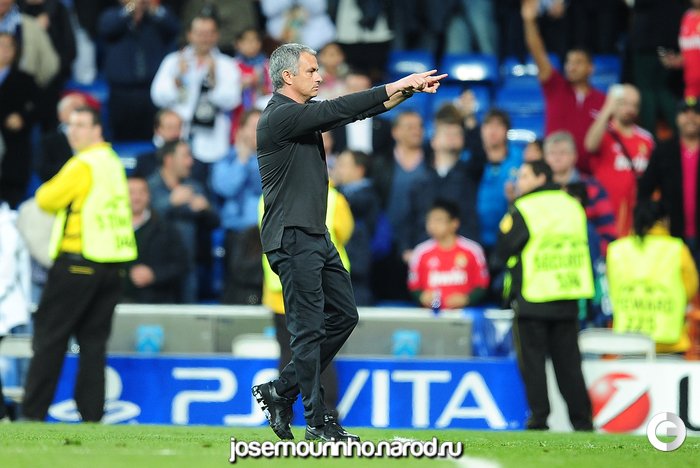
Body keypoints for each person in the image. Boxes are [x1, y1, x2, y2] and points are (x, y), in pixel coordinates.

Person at [252, 42, 445, 442]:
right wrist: (396, 83)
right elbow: (339, 109)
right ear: (287, 76)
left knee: (344, 315)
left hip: (314, 235)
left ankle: (281, 390)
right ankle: (317, 423)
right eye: (311, 70)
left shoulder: (299, 116)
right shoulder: (280, 116)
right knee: (307, 331)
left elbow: (353, 112)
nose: (319, 76)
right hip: (292, 236)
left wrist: (404, 93)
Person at [22, 106, 137, 422]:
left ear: (97, 130)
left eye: (81, 125)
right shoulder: (112, 162)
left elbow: (46, 199)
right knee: (93, 343)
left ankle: (32, 413)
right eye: (70, 126)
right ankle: (91, 417)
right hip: (112, 266)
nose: (73, 132)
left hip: (77, 263)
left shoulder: (83, 164)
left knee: (49, 338)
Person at [490, 159, 594, 431]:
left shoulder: (525, 208)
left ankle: (539, 418)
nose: (519, 182)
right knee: (569, 365)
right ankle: (582, 421)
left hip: (533, 296)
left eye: (524, 176)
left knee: (533, 363)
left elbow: (504, 248)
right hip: (568, 292)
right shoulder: (572, 205)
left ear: (540, 178)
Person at [259, 184, 353, 424]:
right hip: (320, 287)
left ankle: (283, 410)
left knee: (289, 351)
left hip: (279, 290)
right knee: (320, 352)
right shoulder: (333, 197)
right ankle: (325, 414)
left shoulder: (267, 192)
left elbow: (265, 231)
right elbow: (345, 232)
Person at [150, 12, 241, 174]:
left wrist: (214, 80)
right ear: (189, 35)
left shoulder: (227, 64)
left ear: (217, 35)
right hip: (176, 137)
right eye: (200, 33)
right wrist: (177, 80)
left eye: (209, 33)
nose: (204, 38)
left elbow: (232, 100)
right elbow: (157, 97)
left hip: (211, 140)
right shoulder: (173, 60)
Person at [520, 0, 605, 174]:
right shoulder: (555, 87)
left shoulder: (603, 100)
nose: (571, 67)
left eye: (578, 62)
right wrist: (529, 22)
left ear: (591, 68)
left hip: (591, 176)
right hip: (553, 173)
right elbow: (538, 53)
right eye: (569, 62)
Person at [607, 200, 699, 354]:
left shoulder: (616, 250)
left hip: (628, 341)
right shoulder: (677, 249)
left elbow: (610, 286)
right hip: (669, 341)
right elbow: (690, 287)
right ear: (664, 221)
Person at [147, 139, 219, 303]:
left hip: (188, 269)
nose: (190, 162)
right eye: (185, 156)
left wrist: (206, 209)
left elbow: (216, 222)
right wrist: (170, 202)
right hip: (157, 270)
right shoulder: (150, 187)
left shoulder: (194, 187)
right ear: (169, 160)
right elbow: (142, 219)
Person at [97, 0, 180, 140]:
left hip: (150, 92)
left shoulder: (155, 18)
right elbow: (107, 28)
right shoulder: (111, 15)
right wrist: (130, 9)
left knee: (152, 138)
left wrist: (153, 9)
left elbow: (175, 28)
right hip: (121, 93)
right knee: (120, 138)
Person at [584, 84, 655, 236]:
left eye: (635, 105)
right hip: (605, 212)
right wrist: (607, 109)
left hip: (634, 214)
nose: (630, 109)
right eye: (625, 103)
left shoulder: (647, 139)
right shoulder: (603, 132)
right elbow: (590, 145)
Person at [638, 99, 700, 266]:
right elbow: (644, 190)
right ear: (677, 118)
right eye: (685, 113)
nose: (691, 118)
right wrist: (655, 217)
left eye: (696, 113)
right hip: (672, 234)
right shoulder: (664, 150)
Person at [211, 109, 263, 305]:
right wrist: (242, 159)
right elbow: (225, 188)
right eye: (253, 127)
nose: (258, 132)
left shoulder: (275, 159)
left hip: (266, 233)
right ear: (240, 130)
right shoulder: (227, 159)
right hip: (238, 233)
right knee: (236, 288)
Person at [408, 199, 489, 310]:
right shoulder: (420, 252)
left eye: (438, 220)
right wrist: (422, 297)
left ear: (454, 223)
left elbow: (482, 284)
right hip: (431, 314)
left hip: (464, 314)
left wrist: (467, 299)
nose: (432, 225)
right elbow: (414, 286)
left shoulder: (473, 250)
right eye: (429, 220)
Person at [544, 131, 617, 254]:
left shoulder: (592, 187)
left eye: (563, 152)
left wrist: (600, 254)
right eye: (552, 153)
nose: (557, 158)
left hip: (587, 253)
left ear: (574, 156)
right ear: (545, 158)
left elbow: (608, 229)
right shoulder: (540, 190)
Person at [123, 175, 188, 304]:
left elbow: (182, 264)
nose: (136, 197)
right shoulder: (110, 229)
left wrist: (154, 274)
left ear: (149, 195)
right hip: (120, 300)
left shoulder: (165, 228)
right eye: (131, 192)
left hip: (157, 302)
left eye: (142, 192)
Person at [334, 149, 379, 306]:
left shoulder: (366, 197)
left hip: (357, 272)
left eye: (343, 165)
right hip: (339, 269)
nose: (337, 169)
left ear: (359, 170)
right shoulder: (338, 193)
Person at [0, 198, 30, 422]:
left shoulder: (8, 224)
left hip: (8, 305)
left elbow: (7, 270)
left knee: (22, 369)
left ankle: (13, 413)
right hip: (9, 304)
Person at [0, 32, 38, 208]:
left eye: (9, 46)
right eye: (0, 45)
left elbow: (39, 108)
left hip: (13, 154)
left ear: (16, 51)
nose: (4, 50)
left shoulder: (25, 80)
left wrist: (22, 118)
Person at [37, 92, 88, 183]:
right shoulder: (48, 141)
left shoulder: (96, 135)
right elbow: (44, 171)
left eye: (83, 107)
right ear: (60, 115)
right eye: (74, 107)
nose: (79, 111)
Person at [132, 109, 183, 179]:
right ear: (157, 130)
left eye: (178, 128)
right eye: (169, 127)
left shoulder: (190, 161)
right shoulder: (145, 159)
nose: (175, 133)